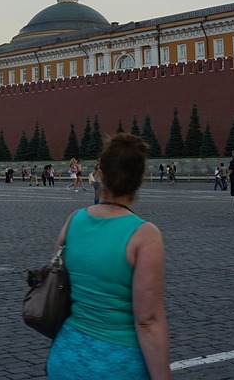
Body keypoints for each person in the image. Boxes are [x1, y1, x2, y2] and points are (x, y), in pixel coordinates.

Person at [46, 133, 170, 380]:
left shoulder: (74, 221)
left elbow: (59, 280)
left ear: (100, 174)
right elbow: (147, 321)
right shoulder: (144, 235)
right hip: (118, 364)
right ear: (139, 178)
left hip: (65, 357)